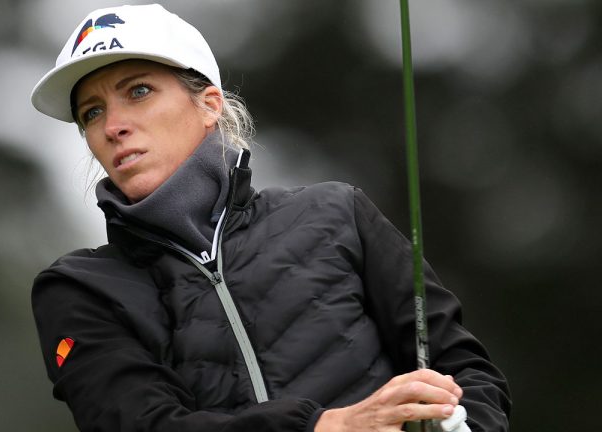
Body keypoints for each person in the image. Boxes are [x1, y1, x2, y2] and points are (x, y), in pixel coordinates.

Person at [29, 4, 510, 432]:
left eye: (138, 91)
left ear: (209, 104)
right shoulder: (77, 289)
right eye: (92, 113)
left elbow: (465, 371)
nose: (113, 127)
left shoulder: (338, 213)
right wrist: (322, 426)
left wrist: (462, 423)